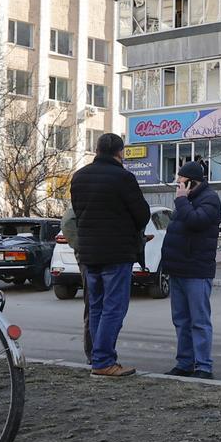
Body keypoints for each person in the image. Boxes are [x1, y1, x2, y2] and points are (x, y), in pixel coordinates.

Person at [71, 132, 149, 377]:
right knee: (114, 308)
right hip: (116, 253)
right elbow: (142, 215)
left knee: (96, 307)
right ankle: (104, 361)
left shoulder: (79, 177)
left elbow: (77, 212)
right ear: (120, 152)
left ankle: (97, 358)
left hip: (88, 253)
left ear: (97, 150)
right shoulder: (124, 178)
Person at [161, 160, 221, 379]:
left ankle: (203, 366)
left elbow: (196, 222)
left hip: (197, 271)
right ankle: (185, 363)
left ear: (192, 183)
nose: (178, 186)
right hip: (178, 270)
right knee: (181, 320)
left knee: (199, 321)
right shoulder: (186, 201)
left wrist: (182, 201)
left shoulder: (210, 200)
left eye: (181, 182)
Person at [60, 203, 92, 364]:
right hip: (90, 258)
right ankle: (93, 354)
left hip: (94, 256)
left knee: (97, 307)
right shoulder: (83, 201)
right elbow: (67, 222)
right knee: (93, 307)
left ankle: (98, 354)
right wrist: (83, 247)